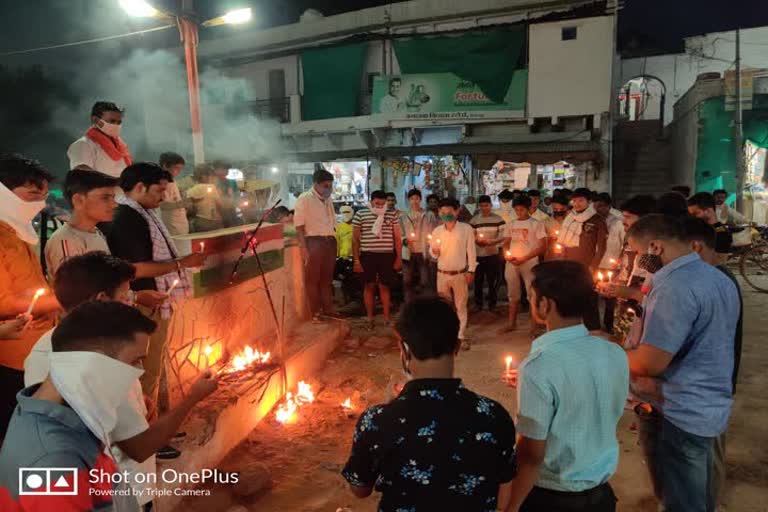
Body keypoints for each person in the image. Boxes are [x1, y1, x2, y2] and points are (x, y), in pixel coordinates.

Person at [23, 252, 217, 502]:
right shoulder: (102, 359)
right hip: (121, 494)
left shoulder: (41, 348)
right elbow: (140, 447)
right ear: (102, 300)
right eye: (126, 298)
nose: (132, 305)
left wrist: (136, 401)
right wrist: (193, 397)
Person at [341, 296, 516, 512]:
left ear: (403, 350)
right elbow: (504, 496)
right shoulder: (493, 415)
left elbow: (360, 489)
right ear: (458, 346)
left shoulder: (377, 420)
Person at [625, 214, 739, 512]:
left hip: (678, 409)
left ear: (654, 247)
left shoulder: (674, 288)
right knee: (699, 496)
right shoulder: (717, 277)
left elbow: (651, 362)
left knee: (681, 501)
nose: (638, 261)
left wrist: (606, 354)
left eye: (637, 253)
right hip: (708, 403)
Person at [506, 260, 628, 512]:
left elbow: (531, 456)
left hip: (553, 498)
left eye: (531, 297)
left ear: (545, 304)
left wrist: (510, 506)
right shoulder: (613, 351)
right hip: (601, 495)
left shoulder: (539, 366)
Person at [107, 163, 205, 407]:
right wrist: (182, 263)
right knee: (147, 369)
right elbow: (135, 268)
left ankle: (160, 420)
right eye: (159, 191)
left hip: (153, 300)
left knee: (157, 362)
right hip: (141, 302)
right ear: (140, 187)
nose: (163, 198)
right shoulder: (127, 217)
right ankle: (148, 433)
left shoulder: (143, 213)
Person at [682, 217, 743, 507]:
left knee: (703, 463)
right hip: (705, 391)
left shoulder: (715, 282)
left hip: (705, 394)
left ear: (694, 247)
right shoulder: (711, 281)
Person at [0, 154, 60, 440]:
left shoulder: (17, 233)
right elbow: (4, 303)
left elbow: (30, 288)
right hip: (11, 358)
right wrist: (63, 299)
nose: (41, 204)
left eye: (45, 196)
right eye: (33, 194)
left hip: (36, 349)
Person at [597, 194, 657, 343]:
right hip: (627, 310)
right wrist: (615, 286)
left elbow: (657, 298)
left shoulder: (656, 253)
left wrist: (629, 292)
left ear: (645, 220)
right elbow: (629, 272)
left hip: (644, 317)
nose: (623, 222)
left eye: (628, 217)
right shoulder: (630, 241)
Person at [44, 169, 117, 277]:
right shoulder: (66, 240)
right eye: (105, 198)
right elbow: (74, 290)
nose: (114, 204)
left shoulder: (96, 232)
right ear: (78, 200)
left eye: (113, 198)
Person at [556, 188, 607, 330]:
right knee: (571, 297)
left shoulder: (597, 220)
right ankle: (574, 328)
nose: (577, 204)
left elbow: (601, 247)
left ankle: (593, 329)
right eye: (574, 200)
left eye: (580, 200)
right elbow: (563, 244)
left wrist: (593, 266)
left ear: (589, 202)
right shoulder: (569, 218)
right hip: (569, 265)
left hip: (586, 266)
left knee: (589, 299)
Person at [429, 198, 476, 348]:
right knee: (444, 306)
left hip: (460, 274)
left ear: (457, 211)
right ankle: (446, 335)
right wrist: (434, 251)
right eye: (442, 212)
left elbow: (471, 252)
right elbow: (433, 253)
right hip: (442, 274)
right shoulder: (437, 231)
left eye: (449, 212)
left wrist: (471, 270)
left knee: (461, 305)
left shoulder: (466, 229)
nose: (446, 215)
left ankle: (460, 336)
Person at [352, 190, 403, 329]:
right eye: (377, 203)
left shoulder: (392, 214)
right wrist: (356, 260)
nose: (380, 206)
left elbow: (397, 238)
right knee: (369, 286)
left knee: (384, 286)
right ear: (371, 201)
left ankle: (386, 318)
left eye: (383, 203)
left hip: (387, 255)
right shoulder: (360, 214)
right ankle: (369, 318)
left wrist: (399, 257)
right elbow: (355, 239)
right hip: (368, 255)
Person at [294, 167, 338, 321]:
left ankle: (328, 309)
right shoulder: (304, 198)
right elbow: (299, 226)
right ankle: (315, 312)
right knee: (312, 279)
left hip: (329, 241)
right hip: (313, 241)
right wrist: (304, 247)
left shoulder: (328, 200)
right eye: (326, 186)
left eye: (331, 186)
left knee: (327, 279)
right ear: (316, 184)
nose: (329, 189)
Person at [501, 196, 547, 333]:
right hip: (512, 262)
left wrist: (525, 258)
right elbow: (506, 243)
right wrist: (506, 254)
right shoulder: (511, 224)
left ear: (528, 209)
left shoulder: (536, 224)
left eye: (522, 209)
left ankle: (534, 326)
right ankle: (511, 323)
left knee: (532, 294)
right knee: (512, 294)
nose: (519, 212)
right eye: (516, 210)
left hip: (530, 262)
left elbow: (543, 246)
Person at [67, 101, 131, 178]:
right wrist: (116, 182)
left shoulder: (121, 146)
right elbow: (81, 175)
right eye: (112, 121)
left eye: (119, 122)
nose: (116, 125)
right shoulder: (83, 144)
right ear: (96, 120)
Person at [594, 193, 625, 333]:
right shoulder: (593, 220)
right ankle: (594, 324)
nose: (597, 209)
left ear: (608, 206)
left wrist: (620, 262)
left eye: (600, 206)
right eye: (595, 206)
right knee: (594, 294)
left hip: (611, 264)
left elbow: (625, 243)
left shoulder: (618, 221)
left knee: (610, 296)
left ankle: (609, 324)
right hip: (595, 263)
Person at [400, 189, 439, 302]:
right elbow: (400, 232)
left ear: (420, 199)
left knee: (425, 280)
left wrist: (431, 243)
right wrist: (405, 240)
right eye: (412, 199)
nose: (415, 201)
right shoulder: (403, 215)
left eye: (417, 198)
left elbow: (434, 231)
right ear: (409, 200)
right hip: (408, 251)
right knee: (407, 280)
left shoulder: (428, 215)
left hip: (423, 251)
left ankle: (425, 303)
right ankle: (408, 303)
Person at [469, 195, 505, 312]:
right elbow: (470, 235)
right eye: (482, 206)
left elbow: (503, 235)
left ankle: (492, 304)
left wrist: (492, 242)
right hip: (478, 255)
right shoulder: (474, 220)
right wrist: (477, 241)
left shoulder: (498, 219)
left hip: (492, 254)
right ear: (479, 206)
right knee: (478, 280)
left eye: (487, 205)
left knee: (492, 280)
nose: (485, 208)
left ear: (491, 205)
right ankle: (478, 304)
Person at [159, 152, 191, 255]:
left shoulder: (172, 181)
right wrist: (181, 204)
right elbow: (162, 205)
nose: (178, 172)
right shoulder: (161, 182)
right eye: (176, 168)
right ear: (165, 165)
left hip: (180, 224)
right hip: (171, 225)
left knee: (184, 252)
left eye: (180, 169)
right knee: (177, 253)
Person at [687, 192, 732, 264]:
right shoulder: (698, 228)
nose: (692, 217)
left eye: (696, 213)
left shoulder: (721, 233)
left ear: (708, 211)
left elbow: (719, 262)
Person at [187, 163, 225, 232]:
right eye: (211, 176)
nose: (213, 178)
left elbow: (190, 208)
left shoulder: (190, 190)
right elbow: (220, 204)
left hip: (199, 221)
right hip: (213, 220)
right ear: (204, 176)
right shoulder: (211, 187)